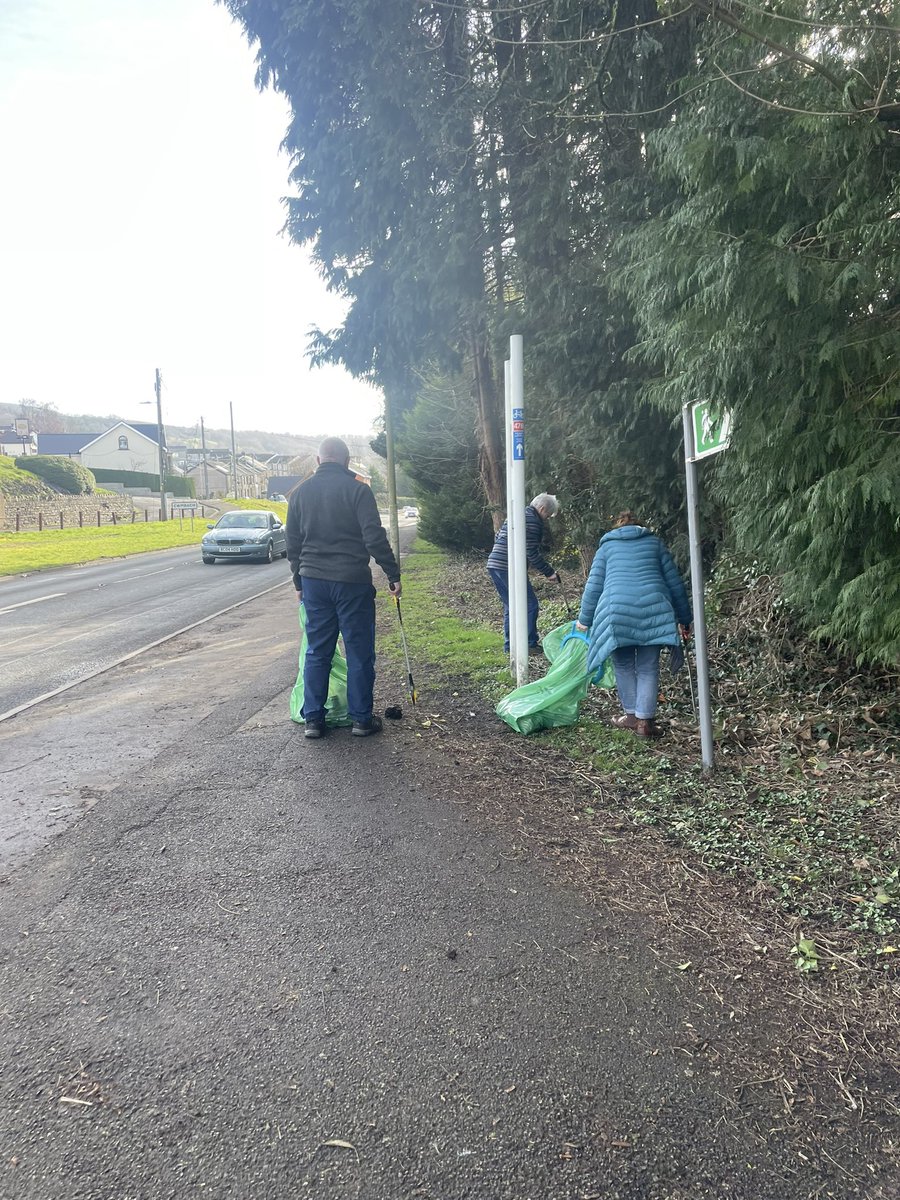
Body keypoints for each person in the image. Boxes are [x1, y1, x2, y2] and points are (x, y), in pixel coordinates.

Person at [286, 437, 401, 740]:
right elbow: (374, 536)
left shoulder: (299, 494)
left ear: (318, 460)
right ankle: (361, 720)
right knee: (359, 651)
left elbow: (293, 545)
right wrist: (392, 573)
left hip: (314, 583)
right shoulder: (358, 490)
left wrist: (298, 582)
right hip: (352, 582)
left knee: (317, 651)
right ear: (347, 461)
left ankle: (313, 719)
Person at [575, 510, 691, 739]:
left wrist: (584, 619)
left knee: (624, 665)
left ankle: (630, 716)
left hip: (617, 612)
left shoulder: (606, 548)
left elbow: (594, 585)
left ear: (617, 528)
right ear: (640, 527)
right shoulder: (655, 544)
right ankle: (644, 723)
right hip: (654, 610)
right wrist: (685, 618)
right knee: (648, 667)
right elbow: (674, 583)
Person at [486, 493, 560, 654]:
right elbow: (531, 552)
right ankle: (529, 644)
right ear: (541, 509)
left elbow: (498, 535)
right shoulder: (533, 521)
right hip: (508, 566)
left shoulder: (517, 515)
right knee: (530, 604)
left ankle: (510, 646)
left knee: (510, 605)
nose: (546, 519)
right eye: (547, 515)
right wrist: (549, 573)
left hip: (494, 563)